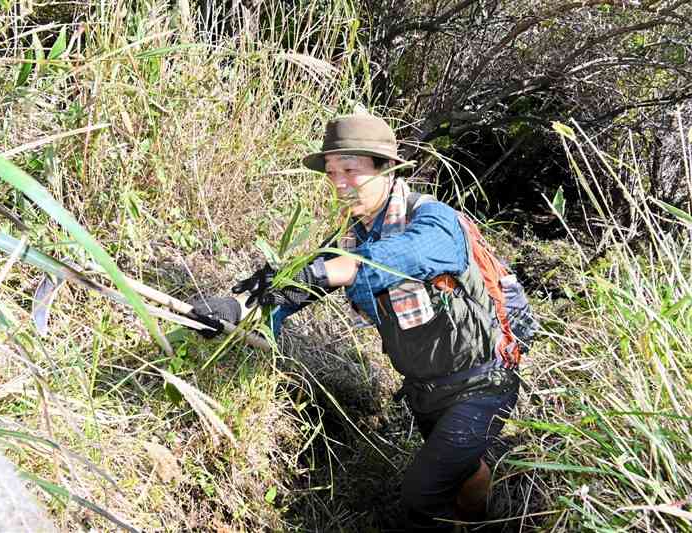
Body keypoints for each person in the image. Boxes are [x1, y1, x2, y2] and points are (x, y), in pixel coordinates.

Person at [191, 113, 521, 531]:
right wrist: (234, 310)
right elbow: (297, 287)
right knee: (465, 468)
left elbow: (410, 256)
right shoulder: (353, 236)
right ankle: (478, 521)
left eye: (352, 170)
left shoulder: (435, 219)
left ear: (386, 170)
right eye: (332, 173)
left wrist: (330, 270)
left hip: (485, 381)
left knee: (423, 493)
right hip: (427, 388)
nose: (340, 183)